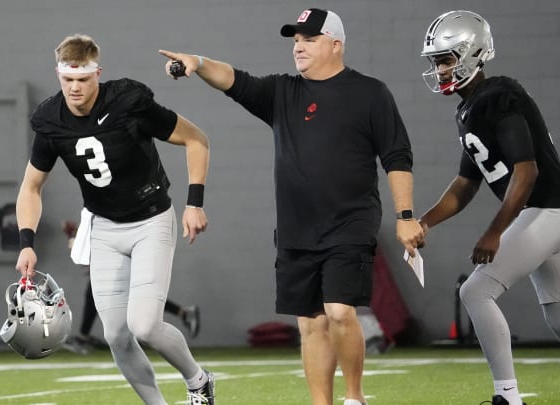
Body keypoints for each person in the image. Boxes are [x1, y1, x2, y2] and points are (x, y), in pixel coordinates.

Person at [160, 8, 424, 405]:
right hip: (297, 228)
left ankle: (354, 397)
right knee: (311, 323)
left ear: (336, 44)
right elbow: (233, 79)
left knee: (338, 312)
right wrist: (197, 64)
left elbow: (397, 156)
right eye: (296, 40)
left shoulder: (371, 93)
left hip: (351, 223)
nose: (298, 46)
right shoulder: (282, 92)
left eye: (309, 39)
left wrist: (405, 216)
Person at [418, 10, 560, 405]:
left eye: (445, 60)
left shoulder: (498, 96)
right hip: (555, 212)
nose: (440, 70)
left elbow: (526, 171)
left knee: (476, 291)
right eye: (436, 62)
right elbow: (465, 184)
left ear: (472, 53)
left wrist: (495, 231)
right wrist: (424, 223)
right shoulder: (471, 107)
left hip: (547, 209)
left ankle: (508, 398)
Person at [15, 34, 214, 405]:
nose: (75, 88)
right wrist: (27, 244)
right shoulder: (48, 119)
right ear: (58, 75)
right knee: (116, 337)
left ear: (97, 74)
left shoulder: (127, 101)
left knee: (145, 326)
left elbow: (197, 139)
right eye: (68, 79)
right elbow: (30, 188)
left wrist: (195, 203)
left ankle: (198, 380)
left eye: (83, 80)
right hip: (104, 228)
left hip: (151, 220)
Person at [61, 221, 201, 355]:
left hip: (130, 246)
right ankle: (182, 313)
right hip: (126, 247)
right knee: (130, 295)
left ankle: (88, 337)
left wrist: (81, 237)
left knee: (135, 296)